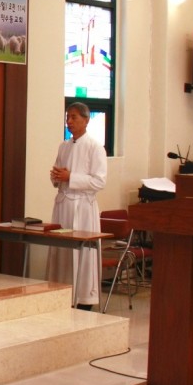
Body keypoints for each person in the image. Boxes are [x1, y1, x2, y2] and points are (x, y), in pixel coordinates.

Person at [45, 102, 107, 310]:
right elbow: (57, 174)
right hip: (63, 205)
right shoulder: (64, 146)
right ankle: (61, 294)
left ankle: (83, 298)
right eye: (67, 117)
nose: (69, 121)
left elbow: (99, 182)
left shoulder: (95, 147)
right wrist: (56, 177)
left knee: (82, 253)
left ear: (86, 120)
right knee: (61, 252)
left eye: (74, 117)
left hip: (82, 208)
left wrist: (71, 177)